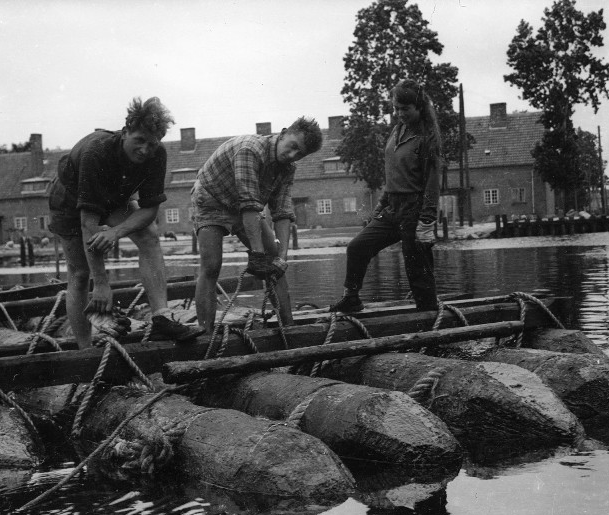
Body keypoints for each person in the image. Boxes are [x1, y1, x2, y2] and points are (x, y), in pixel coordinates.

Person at [48, 96, 204, 349]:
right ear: (124, 133)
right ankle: (85, 350)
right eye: (139, 140)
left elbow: (150, 210)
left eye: (152, 144)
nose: (145, 150)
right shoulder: (96, 153)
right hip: (68, 197)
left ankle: (161, 318)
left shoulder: (157, 154)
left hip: (114, 195)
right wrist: (101, 285)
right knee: (79, 274)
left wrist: (116, 232)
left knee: (149, 236)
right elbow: (89, 224)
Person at [192, 117, 324, 333]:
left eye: (299, 154)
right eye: (292, 147)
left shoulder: (288, 168)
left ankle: (288, 328)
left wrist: (281, 258)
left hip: (244, 205)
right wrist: (257, 254)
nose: (292, 155)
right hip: (211, 199)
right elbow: (250, 204)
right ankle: (205, 334)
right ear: (282, 134)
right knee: (212, 265)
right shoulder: (249, 150)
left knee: (273, 262)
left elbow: (282, 212)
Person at [329, 79, 443, 314]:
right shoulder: (397, 130)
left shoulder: (427, 138)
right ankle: (351, 299)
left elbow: (433, 183)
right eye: (396, 108)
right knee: (358, 247)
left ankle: (430, 317)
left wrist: (427, 220)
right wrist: (381, 205)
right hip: (393, 208)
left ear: (419, 107)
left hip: (415, 210)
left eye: (405, 109)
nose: (399, 113)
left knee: (416, 267)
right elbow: (392, 175)